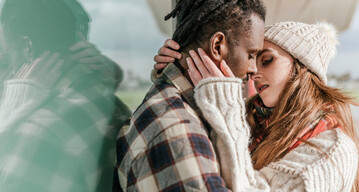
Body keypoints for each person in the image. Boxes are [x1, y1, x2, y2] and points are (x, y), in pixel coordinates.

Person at [154, 21, 359, 191]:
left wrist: (226, 106)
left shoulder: (333, 150)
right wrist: (176, 70)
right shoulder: (248, 116)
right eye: (252, 60)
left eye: (267, 60)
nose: (253, 71)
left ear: (303, 67)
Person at [113, 0, 266, 191]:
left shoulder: (181, 109)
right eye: (251, 55)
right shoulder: (181, 134)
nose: (254, 69)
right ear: (218, 46)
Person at [0, 0, 131, 191]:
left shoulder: (38, 132)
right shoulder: (113, 106)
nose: (6, 75)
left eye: (5, 59)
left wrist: (11, 112)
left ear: (27, 48)